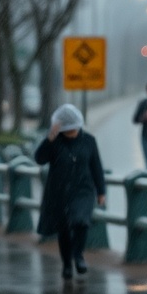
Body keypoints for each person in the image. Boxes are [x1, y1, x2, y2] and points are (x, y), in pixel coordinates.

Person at [35, 104, 106, 280]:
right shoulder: (55, 142)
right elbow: (39, 159)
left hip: (83, 190)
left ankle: (78, 256)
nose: (71, 133)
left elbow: (96, 166)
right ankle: (67, 264)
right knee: (64, 228)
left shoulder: (89, 141)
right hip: (60, 191)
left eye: (73, 130)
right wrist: (49, 138)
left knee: (81, 221)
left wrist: (101, 191)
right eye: (68, 131)